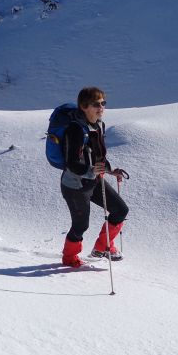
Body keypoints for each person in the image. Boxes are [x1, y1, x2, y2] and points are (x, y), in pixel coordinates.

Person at [60, 86, 128, 268]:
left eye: (103, 103)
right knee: (81, 225)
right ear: (83, 106)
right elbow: (71, 163)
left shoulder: (99, 125)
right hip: (75, 185)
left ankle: (103, 247)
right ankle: (69, 258)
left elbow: (98, 156)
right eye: (96, 104)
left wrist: (110, 170)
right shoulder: (74, 130)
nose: (101, 107)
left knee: (120, 210)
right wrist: (92, 171)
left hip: (93, 181)